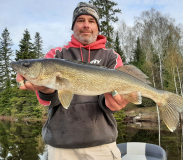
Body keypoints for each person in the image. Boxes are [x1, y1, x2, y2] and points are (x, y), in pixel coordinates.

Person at [16, 2, 129, 160]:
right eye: (80, 20)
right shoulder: (56, 55)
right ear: (73, 26)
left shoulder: (111, 57)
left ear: (97, 27)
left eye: (91, 21)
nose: (85, 25)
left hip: (101, 145)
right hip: (61, 147)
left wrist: (115, 103)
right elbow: (48, 100)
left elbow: (111, 103)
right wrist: (45, 89)